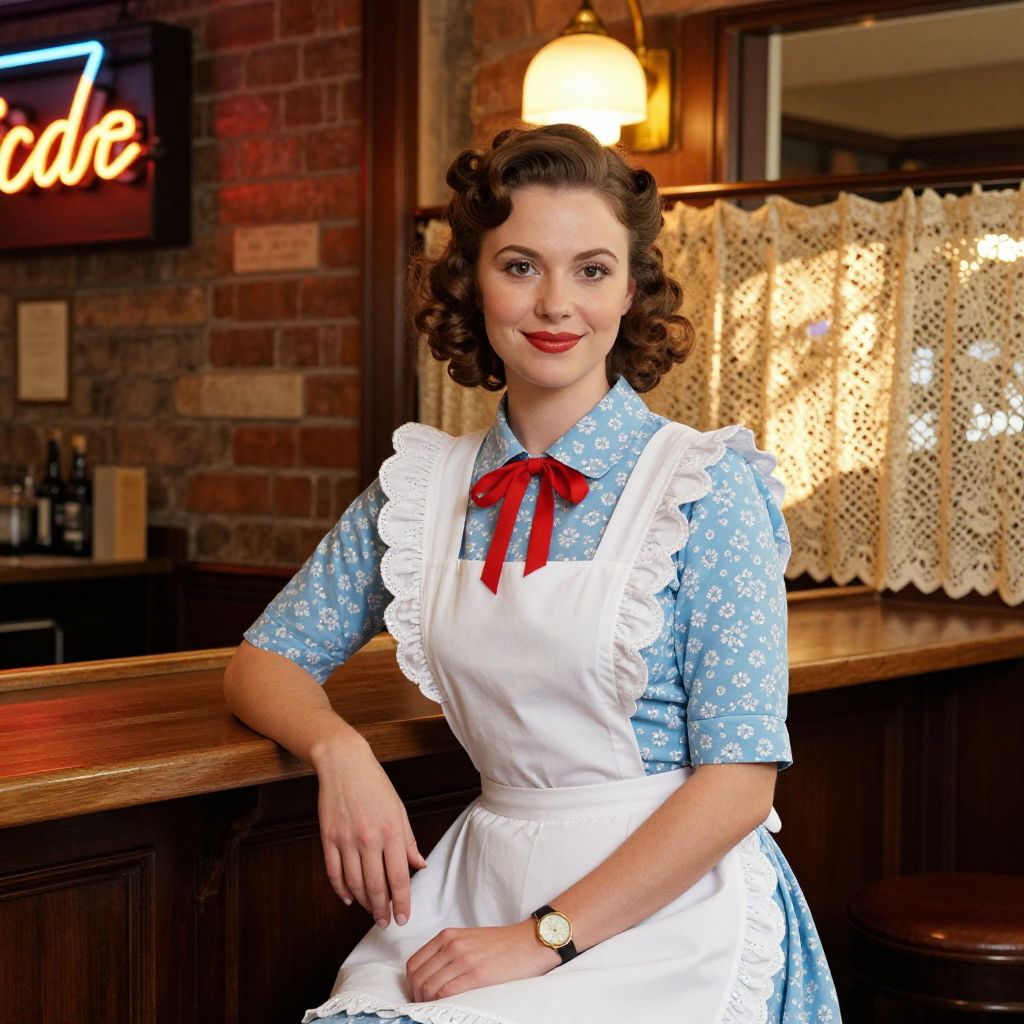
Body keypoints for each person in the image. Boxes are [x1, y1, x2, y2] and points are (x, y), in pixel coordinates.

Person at [224, 123, 841, 1024]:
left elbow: (740, 784)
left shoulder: (705, 489)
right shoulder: (423, 489)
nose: (556, 303)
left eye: (591, 270)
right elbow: (261, 662)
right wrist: (338, 751)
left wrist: (541, 938)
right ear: (473, 285)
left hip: (663, 910)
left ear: (632, 290)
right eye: (520, 266)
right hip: (481, 879)